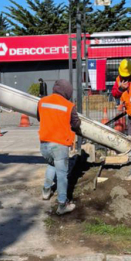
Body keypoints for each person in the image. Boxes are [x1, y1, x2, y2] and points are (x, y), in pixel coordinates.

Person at [37, 79, 81, 215]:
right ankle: (62, 204)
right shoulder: (69, 106)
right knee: (62, 175)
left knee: (51, 165)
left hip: (44, 144)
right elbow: (76, 124)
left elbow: (40, 118)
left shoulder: (42, 101)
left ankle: (46, 191)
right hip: (59, 145)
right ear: (67, 91)